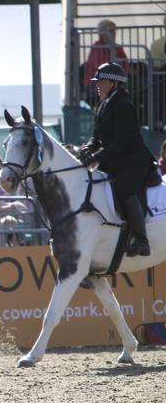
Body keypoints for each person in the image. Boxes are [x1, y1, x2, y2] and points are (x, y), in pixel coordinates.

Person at [79, 62, 157, 257]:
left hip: (133, 162)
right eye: (97, 82)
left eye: (101, 82)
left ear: (114, 83)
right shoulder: (103, 104)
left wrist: (95, 157)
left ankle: (141, 241)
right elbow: (96, 137)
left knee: (123, 189)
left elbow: (121, 142)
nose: (97, 85)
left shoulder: (123, 105)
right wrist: (87, 149)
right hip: (116, 160)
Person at [84, 20, 129, 89]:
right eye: (111, 31)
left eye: (115, 30)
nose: (114, 33)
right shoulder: (97, 47)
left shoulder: (118, 47)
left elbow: (125, 64)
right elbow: (101, 68)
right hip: (96, 84)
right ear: (102, 32)